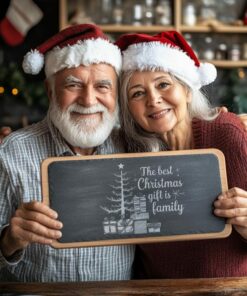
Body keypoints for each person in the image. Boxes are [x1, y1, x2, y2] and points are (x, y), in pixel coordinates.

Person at [0, 23, 135, 282]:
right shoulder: (11, 153)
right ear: (51, 92)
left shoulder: (133, 145)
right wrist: (9, 241)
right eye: (73, 85)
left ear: (116, 94)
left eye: (103, 87)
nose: (88, 100)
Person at [115, 31, 247, 278]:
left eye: (163, 84)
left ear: (186, 90)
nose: (153, 100)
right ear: (128, 109)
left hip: (228, 290)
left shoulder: (227, 133)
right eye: (137, 93)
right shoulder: (125, 150)